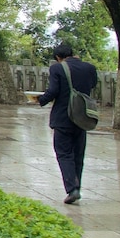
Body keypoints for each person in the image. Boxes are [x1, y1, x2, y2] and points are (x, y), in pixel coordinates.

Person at [37, 43, 98, 205]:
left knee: (64, 153)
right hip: (82, 116)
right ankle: (77, 186)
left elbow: (54, 91)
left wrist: (40, 100)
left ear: (58, 57)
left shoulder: (57, 69)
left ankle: (72, 188)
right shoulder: (89, 68)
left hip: (63, 118)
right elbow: (92, 85)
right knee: (78, 154)